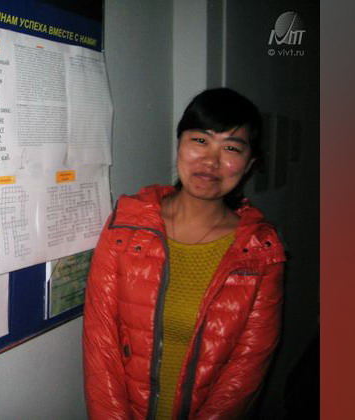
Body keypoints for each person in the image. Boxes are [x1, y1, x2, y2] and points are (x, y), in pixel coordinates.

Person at [83, 88, 286, 419]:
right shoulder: (127, 225)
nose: (211, 160)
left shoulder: (260, 252)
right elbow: (100, 342)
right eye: (200, 140)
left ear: (249, 164)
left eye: (231, 148)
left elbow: (246, 370)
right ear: (179, 143)